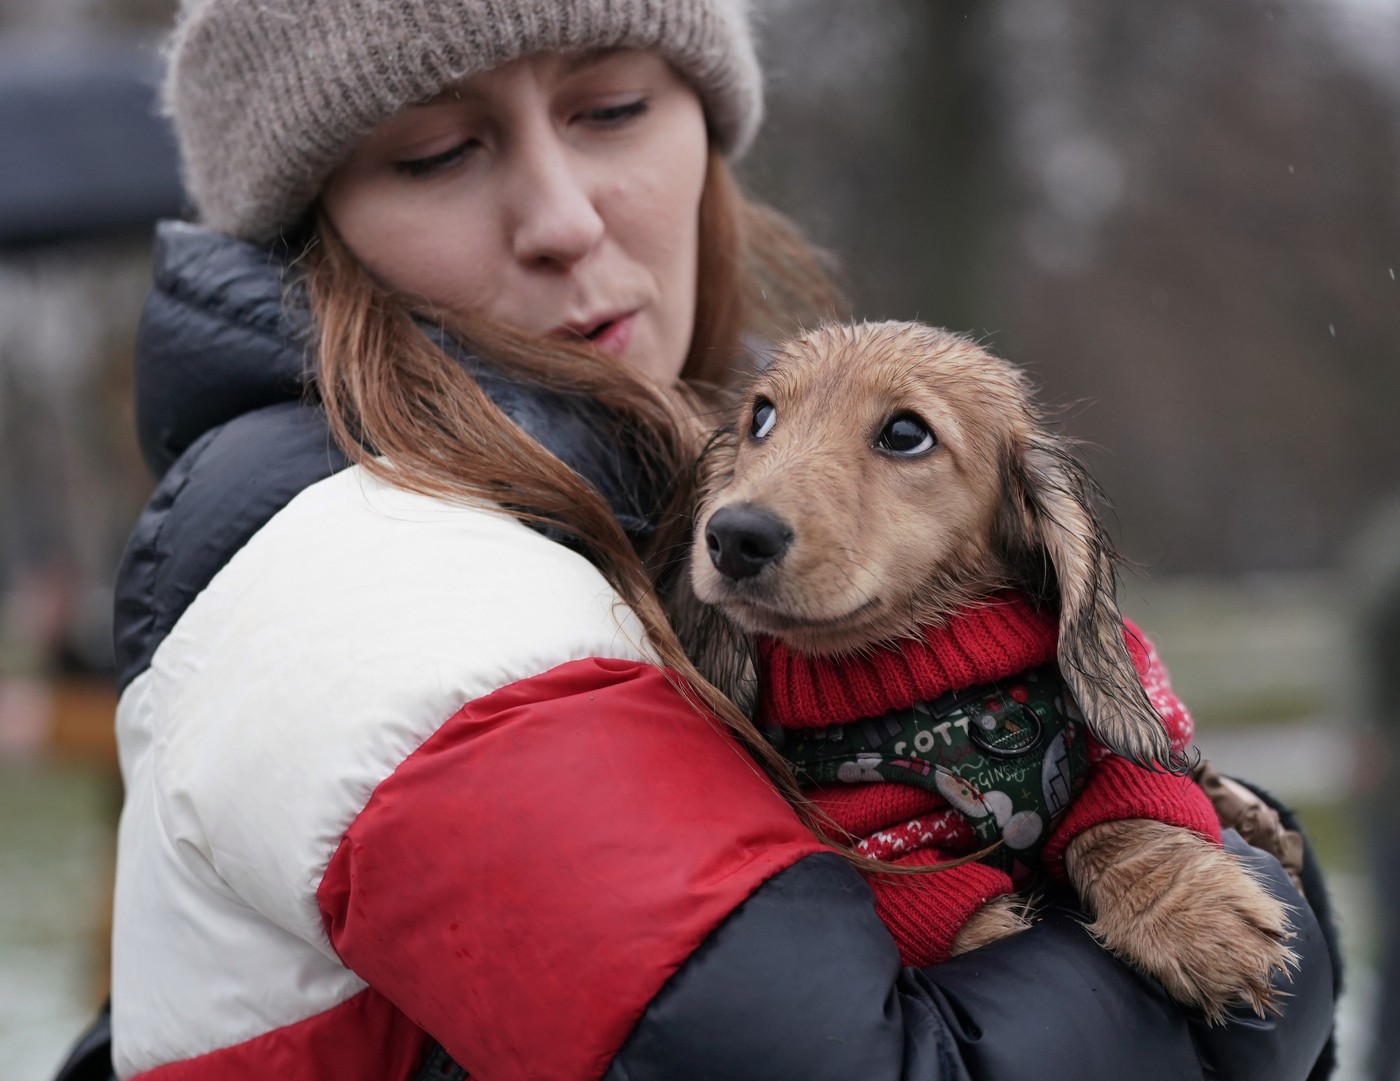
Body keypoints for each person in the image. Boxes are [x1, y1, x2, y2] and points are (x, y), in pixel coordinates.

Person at [78, 1, 1338, 1079]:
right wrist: (1276, 919)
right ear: (312, 232)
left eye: (612, 110)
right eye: (437, 152)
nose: (561, 218)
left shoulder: (644, 496)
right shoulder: (369, 580)